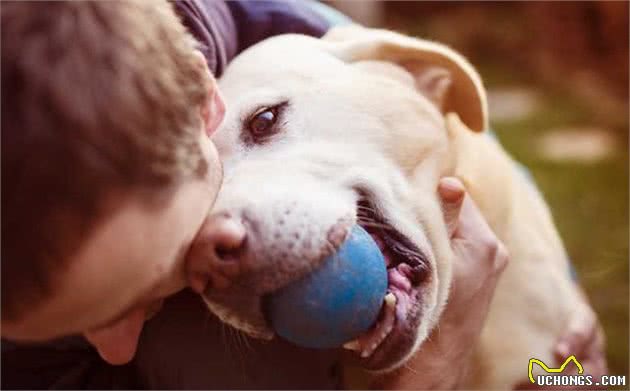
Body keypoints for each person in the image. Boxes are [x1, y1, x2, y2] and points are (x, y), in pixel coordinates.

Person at [0, 1, 605, 389]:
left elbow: (560, 371)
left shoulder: (308, 42)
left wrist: (574, 376)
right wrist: (433, 376)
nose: (224, 238)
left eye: (265, 124)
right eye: (189, 269)